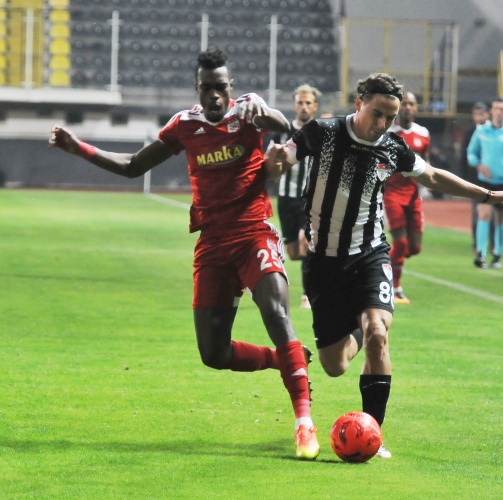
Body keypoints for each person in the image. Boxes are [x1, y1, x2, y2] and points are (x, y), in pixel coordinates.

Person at [49, 48, 320, 460]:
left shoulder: (247, 112)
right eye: (207, 87)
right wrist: (79, 149)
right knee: (214, 353)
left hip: (254, 234)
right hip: (212, 244)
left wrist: (265, 111)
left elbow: (285, 127)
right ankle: (283, 359)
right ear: (198, 89)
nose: (215, 95)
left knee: (276, 311)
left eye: (221, 87)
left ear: (230, 87)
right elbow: (132, 166)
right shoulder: (184, 126)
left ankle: (303, 422)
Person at [264, 72, 503, 459]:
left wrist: (486, 195)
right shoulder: (323, 132)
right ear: (359, 103)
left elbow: (432, 176)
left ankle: (373, 432)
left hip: (369, 254)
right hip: (324, 263)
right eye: (378, 113)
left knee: (378, 334)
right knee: (335, 365)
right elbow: (283, 157)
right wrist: (274, 163)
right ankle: (363, 325)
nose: (383, 123)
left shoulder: (392, 147)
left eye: (390, 116)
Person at [273, 84, 322, 310]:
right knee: (293, 252)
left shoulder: (321, 132)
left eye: (308, 103)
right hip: (286, 198)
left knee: (306, 243)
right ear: (294, 105)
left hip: (310, 199)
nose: (304, 107)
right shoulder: (282, 132)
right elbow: (271, 161)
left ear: (315, 106)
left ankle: (307, 294)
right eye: (300, 102)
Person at [467, 97, 503, 269]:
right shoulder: (482, 132)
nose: (498, 112)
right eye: (496, 108)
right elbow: (471, 152)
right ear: (491, 111)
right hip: (486, 181)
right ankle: (481, 254)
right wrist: (478, 165)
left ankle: (498, 255)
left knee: (501, 218)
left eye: (502, 109)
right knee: (483, 214)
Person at [383, 91, 430, 304]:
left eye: (411, 104)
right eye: (404, 104)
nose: (407, 108)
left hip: (413, 195)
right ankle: (395, 287)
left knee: (415, 247)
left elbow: (426, 162)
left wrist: (426, 186)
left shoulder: (423, 133)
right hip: (392, 193)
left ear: (416, 108)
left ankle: (386, 260)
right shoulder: (389, 134)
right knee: (400, 242)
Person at [460, 101, 491, 252]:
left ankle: (492, 244)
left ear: (487, 114)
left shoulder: (495, 130)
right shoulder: (470, 131)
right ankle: (477, 243)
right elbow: (464, 155)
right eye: (476, 114)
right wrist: (463, 178)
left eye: (481, 114)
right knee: (477, 211)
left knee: (494, 212)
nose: (479, 117)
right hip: (476, 178)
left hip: (494, 178)